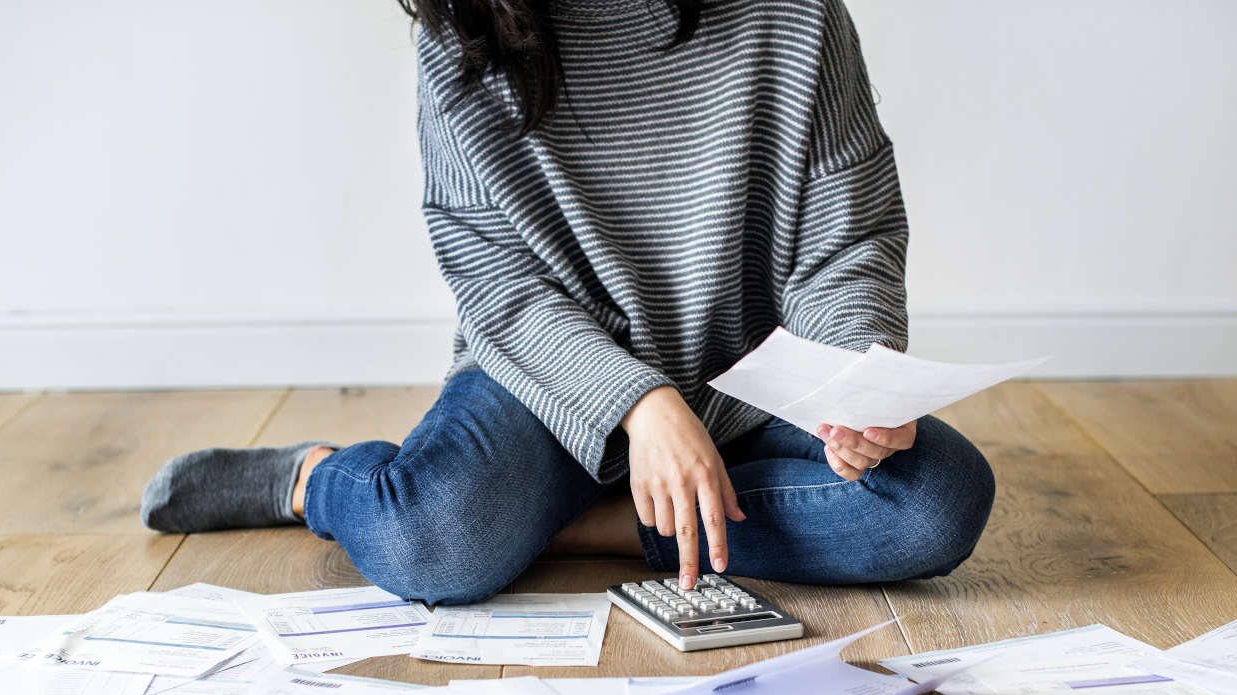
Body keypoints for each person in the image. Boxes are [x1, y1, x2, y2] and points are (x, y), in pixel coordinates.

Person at [141, 0, 995, 604]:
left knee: (937, 500)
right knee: (430, 538)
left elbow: (850, 233)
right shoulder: (464, 29)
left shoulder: (796, 14)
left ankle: (581, 525)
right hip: (548, 379)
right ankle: (313, 478)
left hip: (748, 386)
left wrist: (855, 384)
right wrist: (641, 404)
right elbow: (497, 281)